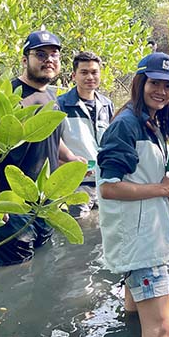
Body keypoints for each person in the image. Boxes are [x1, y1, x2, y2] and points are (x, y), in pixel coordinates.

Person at [0, 30, 87, 266]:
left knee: (40, 270)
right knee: (12, 280)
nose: (49, 59)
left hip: (42, 203)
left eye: (54, 55)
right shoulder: (8, 97)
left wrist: (70, 157)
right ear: (24, 60)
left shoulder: (51, 96)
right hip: (10, 205)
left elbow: (49, 135)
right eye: (40, 54)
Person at [96, 52, 169, 337]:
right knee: (162, 330)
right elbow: (108, 187)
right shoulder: (127, 124)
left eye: (168, 86)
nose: (162, 92)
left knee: (134, 316)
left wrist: (163, 188)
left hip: (145, 233)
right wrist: (161, 189)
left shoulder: (149, 122)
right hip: (139, 240)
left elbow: (136, 175)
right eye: (155, 83)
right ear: (140, 82)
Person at [57, 51, 115, 217]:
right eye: (84, 72)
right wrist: (68, 166)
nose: (90, 77)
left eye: (94, 72)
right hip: (76, 184)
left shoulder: (106, 104)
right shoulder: (60, 105)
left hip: (104, 182)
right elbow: (50, 146)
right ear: (74, 76)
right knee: (79, 231)